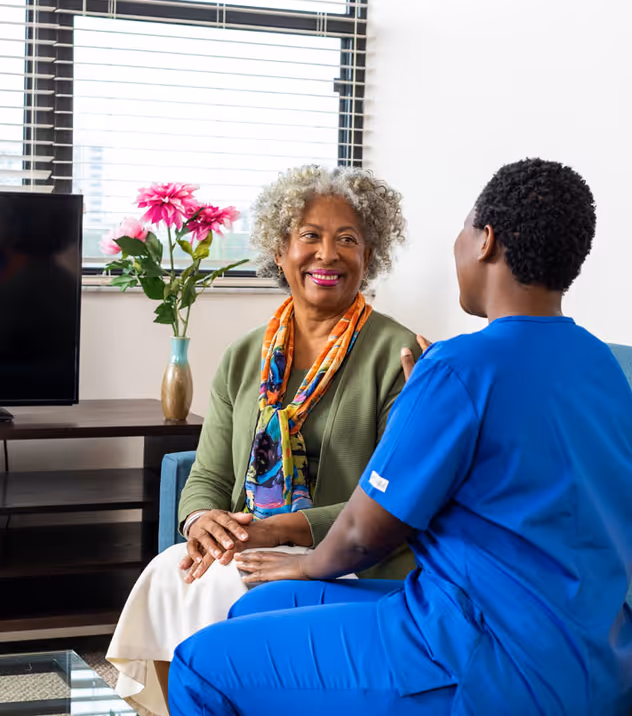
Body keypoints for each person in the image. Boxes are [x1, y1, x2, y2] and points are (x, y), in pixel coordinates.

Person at [168, 157, 632, 716]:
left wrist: (303, 562)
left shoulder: (458, 367)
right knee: (261, 607)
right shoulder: (601, 365)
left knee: (198, 666)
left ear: (485, 241)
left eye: (464, 228)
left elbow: (363, 532)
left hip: (485, 657)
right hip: (595, 659)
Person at [107, 165, 422, 716]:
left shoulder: (398, 356)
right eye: (310, 236)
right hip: (248, 540)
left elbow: (393, 500)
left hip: (346, 557)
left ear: (369, 255)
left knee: (233, 590)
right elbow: (208, 474)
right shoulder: (245, 354)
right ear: (280, 251)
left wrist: (274, 530)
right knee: (169, 575)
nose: (328, 254)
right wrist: (202, 521)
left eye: (347, 239)